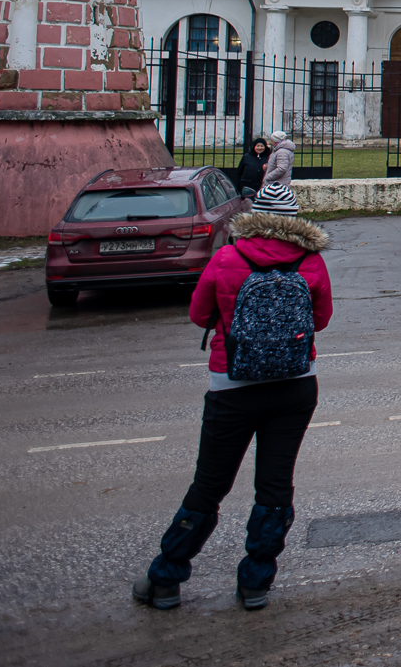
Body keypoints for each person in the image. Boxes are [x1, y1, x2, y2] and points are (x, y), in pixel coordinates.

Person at [132, 188, 332, 612]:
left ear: (254, 218)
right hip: (296, 385)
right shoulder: (310, 261)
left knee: (210, 484)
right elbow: (321, 319)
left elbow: (199, 315)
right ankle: (256, 581)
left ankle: (167, 576)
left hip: (232, 384)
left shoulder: (227, 258)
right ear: (296, 222)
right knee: (275, 486)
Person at [250, 132, 298, 215]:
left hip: (276, 185)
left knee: (274, 208)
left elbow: (282, 168)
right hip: (277, 184)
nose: (270, 141)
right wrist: (268, 166)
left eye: (271, 139)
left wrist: (268, 177)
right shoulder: (279, 150)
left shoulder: (282, 151)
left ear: (275, 140)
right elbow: (279, 163)